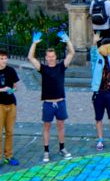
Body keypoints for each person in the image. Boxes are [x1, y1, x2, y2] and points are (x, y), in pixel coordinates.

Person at [28, 32, 76, 161]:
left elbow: (72, 53)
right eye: (48, 56)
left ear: (55, 57)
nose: (50, 58)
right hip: (48, 103)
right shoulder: (43, 68)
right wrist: (34, 44)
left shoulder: (61, 67)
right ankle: (46, 151)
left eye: (52, 56)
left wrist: (68, 41)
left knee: (61, 126)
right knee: (47, 127)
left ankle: (62, 148)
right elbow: (30, 58)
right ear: (46, 57)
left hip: (60, 102)